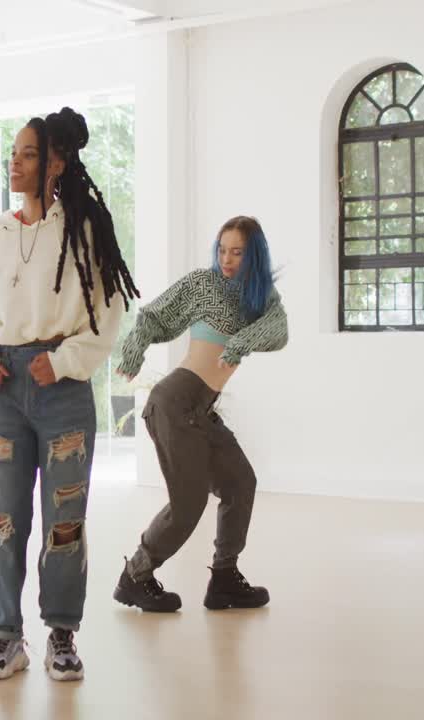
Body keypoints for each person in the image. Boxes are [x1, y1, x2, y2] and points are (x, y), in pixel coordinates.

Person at [0, 107, 138, 681]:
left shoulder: (83, 230)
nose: (15, 161)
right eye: (13, 152)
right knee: (4, 518)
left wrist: (60, 362)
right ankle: (5, 637)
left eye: (29, 153)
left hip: (63, 390)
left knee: (65, 520)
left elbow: (108, 316)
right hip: (8, 390)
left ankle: (61, 633)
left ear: (56, 163)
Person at [112, 215, 287, 613]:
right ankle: (135, 577)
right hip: (175, 403)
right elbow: (154, 316)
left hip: (201, 410)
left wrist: (243, 340)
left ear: (254, 255)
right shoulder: (204, 284)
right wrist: (136, 348)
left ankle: (224, 579)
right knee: (188, 505)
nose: (226, 259)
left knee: (240, 482)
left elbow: (279, 331)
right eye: (222, 250)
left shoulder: (262, 299)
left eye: (237, 252)